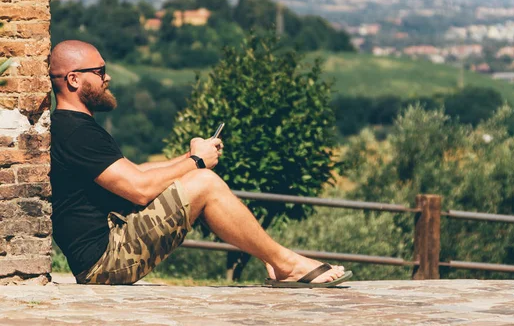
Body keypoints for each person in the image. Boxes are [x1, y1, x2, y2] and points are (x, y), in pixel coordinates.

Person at [49, 40, 352, 287]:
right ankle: (286, 264)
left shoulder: (72, 127)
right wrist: (196, 163)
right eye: (100, 71)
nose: (108, 77)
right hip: (105, 260)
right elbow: (140, 190)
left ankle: (279, 262)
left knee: (199, 177)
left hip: (107, 250)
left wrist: (190, 156)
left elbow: (136, 173)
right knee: (204, 183)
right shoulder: (75, 131)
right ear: (74, 79)